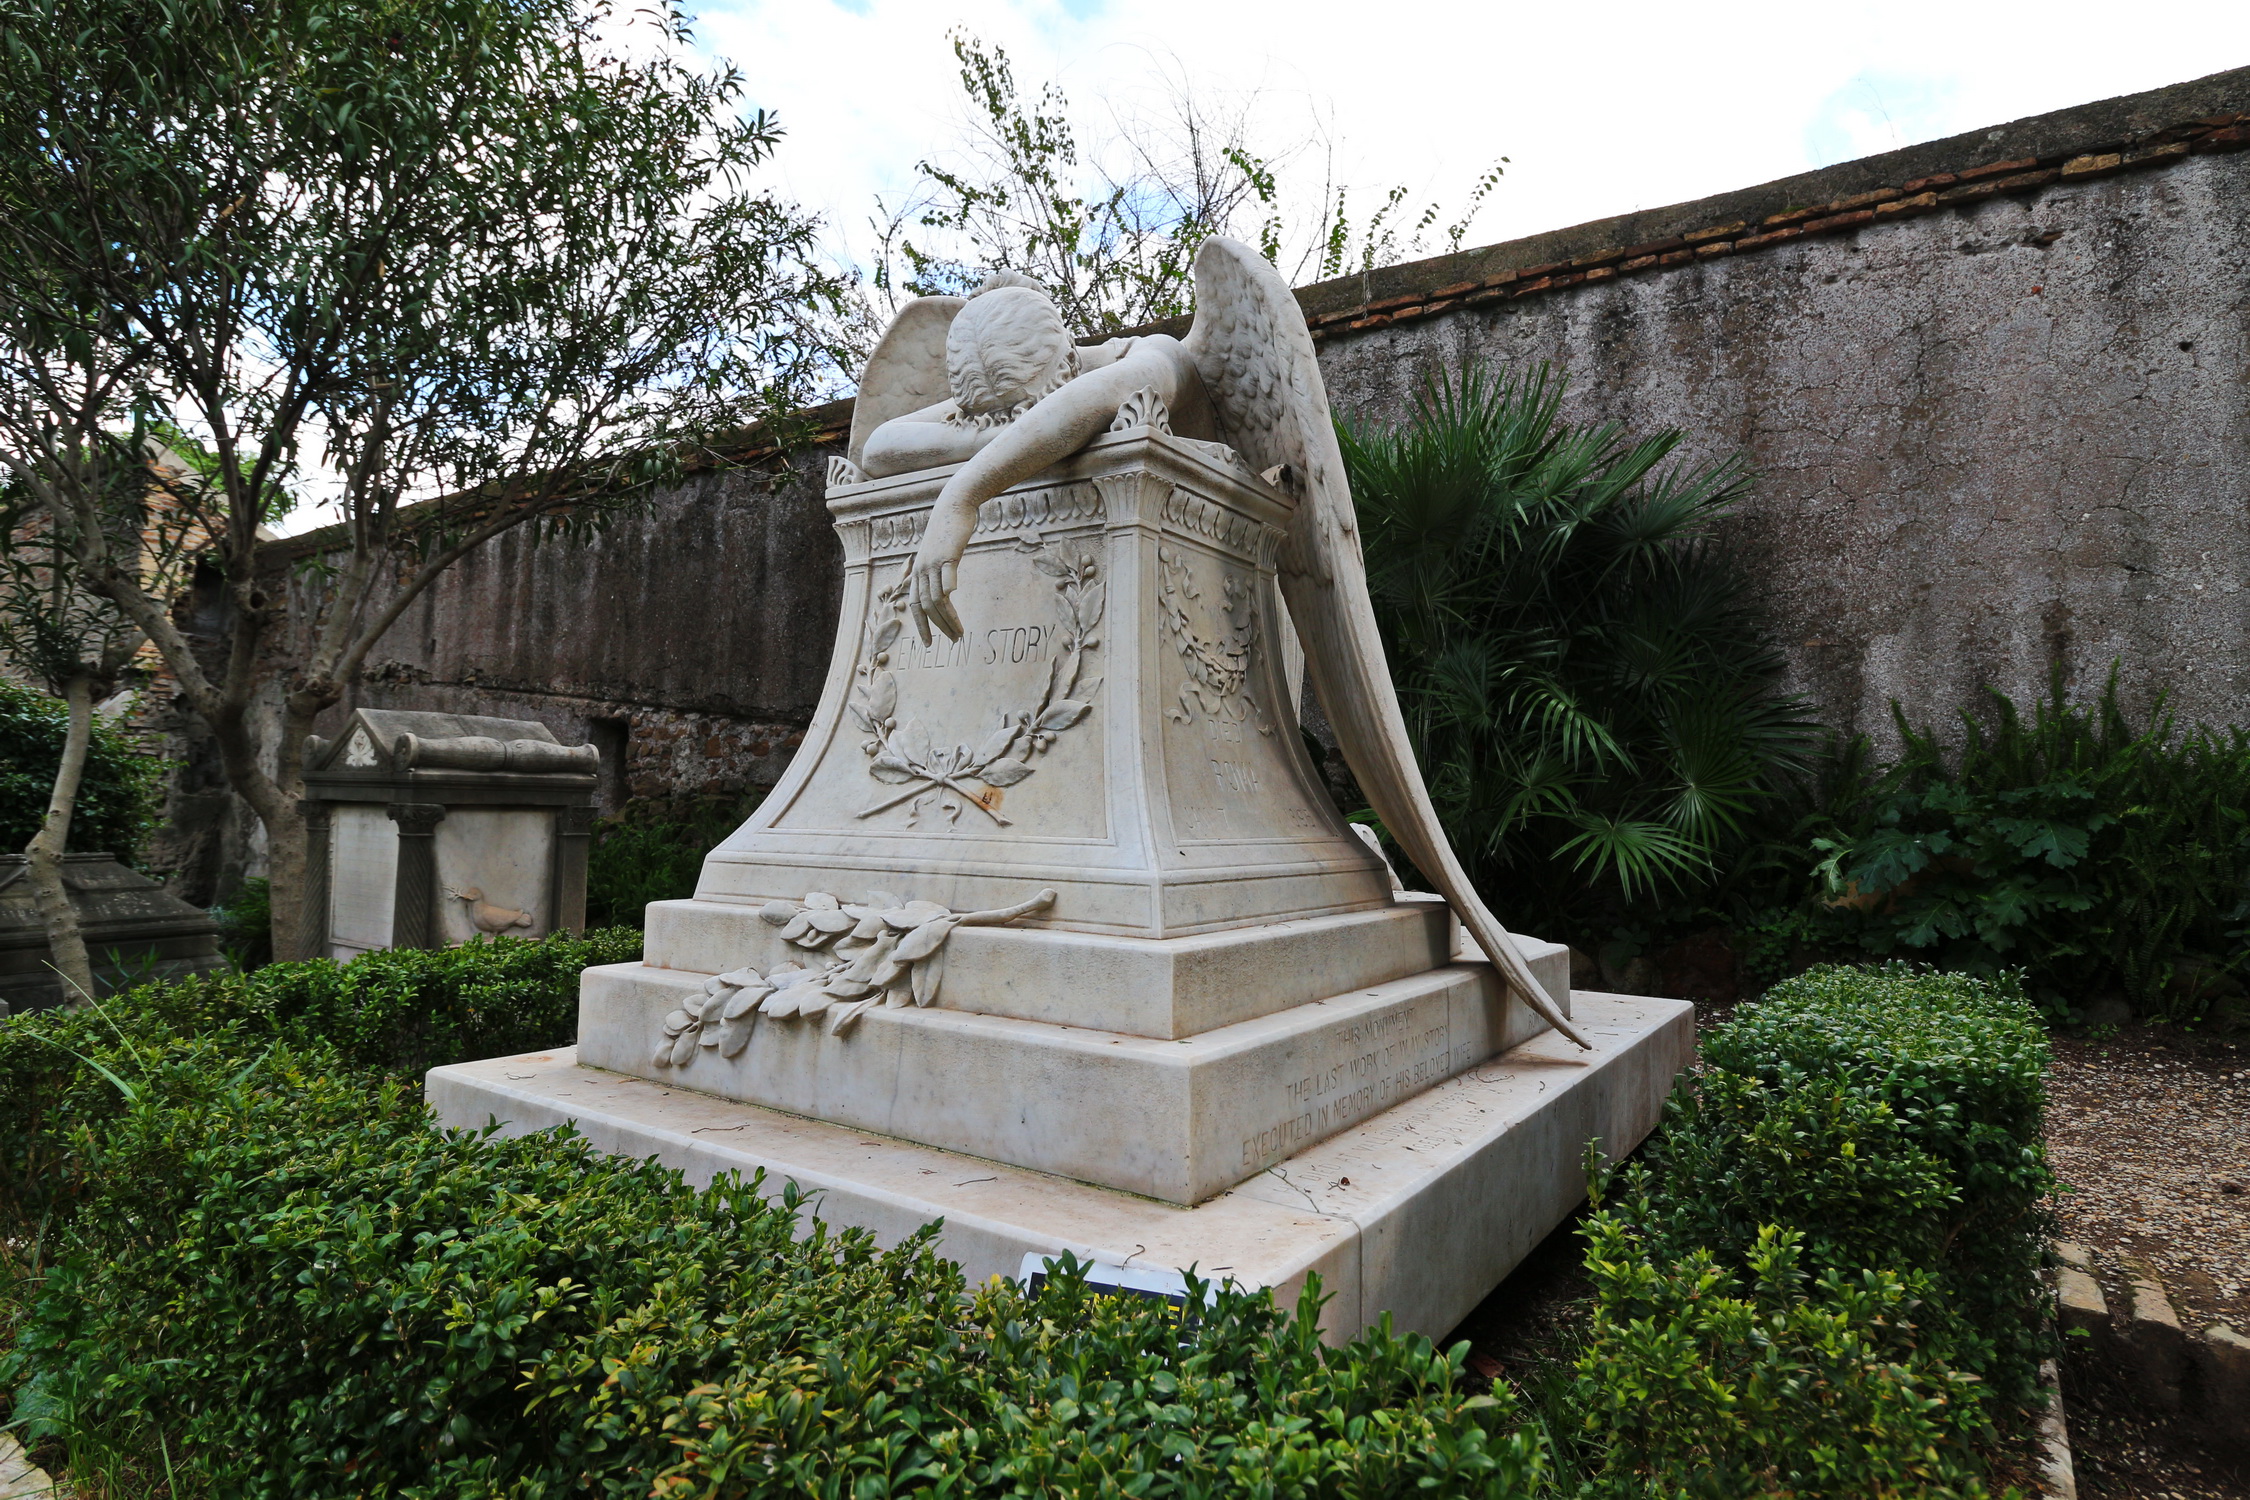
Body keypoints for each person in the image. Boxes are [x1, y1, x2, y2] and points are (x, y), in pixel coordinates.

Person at [860, 276, 1217, 645]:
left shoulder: (1156, 355)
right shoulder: (1018, 380)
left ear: (1069, 363)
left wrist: (961, 496)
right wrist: (1034, 431)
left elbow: (1090, 400)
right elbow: (879, 446)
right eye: (990, 421)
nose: (1016, 428)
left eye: (1028, 411)